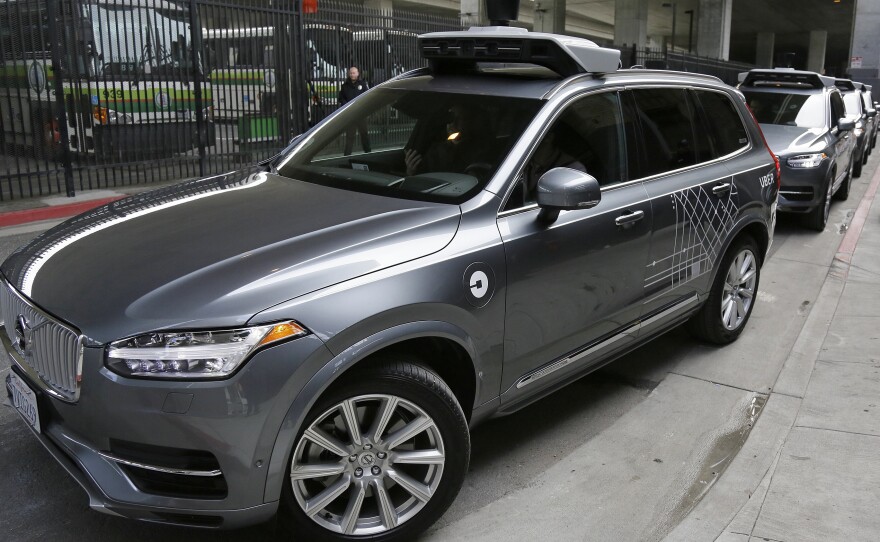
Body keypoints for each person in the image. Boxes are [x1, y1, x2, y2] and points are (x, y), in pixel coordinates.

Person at [404, 104, 494, 177]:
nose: (452, 123)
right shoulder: (435, 150)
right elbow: (422, 181)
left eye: (460, 118)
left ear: (470, 122)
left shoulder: (480, 151)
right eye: (450, 118)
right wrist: (411, 172)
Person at [338, 66, 372, 155]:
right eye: (351, 73)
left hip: (361, 114)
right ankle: (347, 154)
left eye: (354, 73)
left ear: (357, 73)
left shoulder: (363, 84)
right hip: (350, 115)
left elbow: (367, 97)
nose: (352, 74)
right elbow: (341, 98)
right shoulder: (344, 86)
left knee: (364, 134)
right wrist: (347, 106)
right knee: (350, 135)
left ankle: (368, 152)